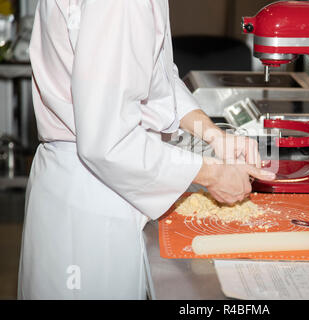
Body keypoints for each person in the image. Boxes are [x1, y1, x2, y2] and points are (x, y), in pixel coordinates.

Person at [18, 0, 275, 300]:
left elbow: (153, 77)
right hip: (94, 203)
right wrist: (213, 174)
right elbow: (110, 142)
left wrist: (216, 136)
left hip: (84, 185)